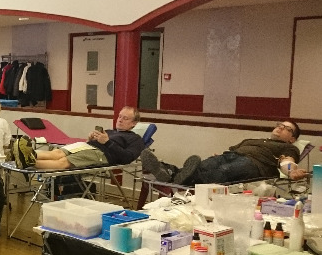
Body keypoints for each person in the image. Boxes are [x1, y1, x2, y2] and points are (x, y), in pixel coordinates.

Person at [142, 120, 309, 185]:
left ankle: (169, 171)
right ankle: (173, 173)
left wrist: (291, 171)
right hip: (230, 156)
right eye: (279, 125)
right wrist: (219, 156)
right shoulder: (253, 140)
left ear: (292, 139)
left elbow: (287, 161)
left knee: (223, 171)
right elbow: (231, 151)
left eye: (286, 128)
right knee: (202, 166)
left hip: (254, 165)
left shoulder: (289, 147)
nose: (280, 128)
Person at [26, 106, 144, 169]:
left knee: (63, 162)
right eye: (120, 116)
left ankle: (29, 162)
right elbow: (93, 142)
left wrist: (107, 142)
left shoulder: (136, 139)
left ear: (134, 123)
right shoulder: (109, 131)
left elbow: (127, 158)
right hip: (87, 146)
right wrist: (91, 139)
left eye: (125, 118)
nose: (120, 120)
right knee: (56, 153)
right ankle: (25, 154)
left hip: (101, 154)